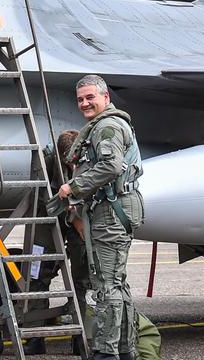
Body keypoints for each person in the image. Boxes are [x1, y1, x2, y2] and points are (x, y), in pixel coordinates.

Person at [58, 75, 149, 360]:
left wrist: (74, 187)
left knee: (106, 286)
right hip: (114, 210)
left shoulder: (107, 127)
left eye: (90, 97)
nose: (85, 103)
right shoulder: (104, 125)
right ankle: (125, 350)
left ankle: (107, 352)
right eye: (81, 99)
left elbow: (110, 166)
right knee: (116, 283)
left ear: (105, 98)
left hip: (112, 213)